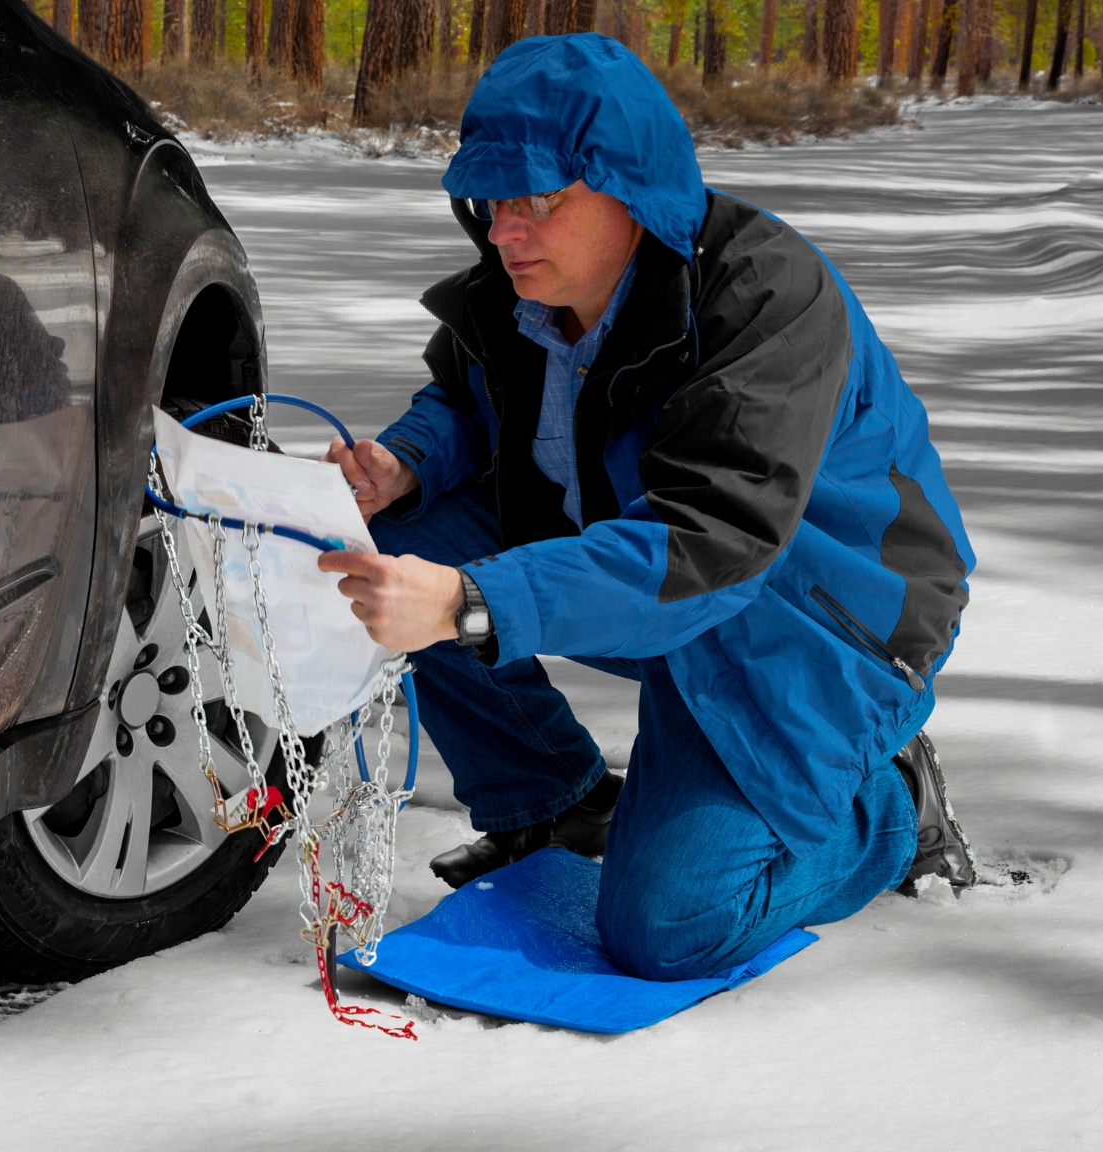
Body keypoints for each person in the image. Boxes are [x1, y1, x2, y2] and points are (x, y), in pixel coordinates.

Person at [316, 33, 978, 984]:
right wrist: (406, 465)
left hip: (821, 616)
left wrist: (471, 600)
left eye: (540, 200)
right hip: (662, 584)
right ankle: (552, 805)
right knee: (399, 545)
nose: (506, 230)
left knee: (671, 927)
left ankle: (888, 808)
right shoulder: (525, 293)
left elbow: (711, 539)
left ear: (631, 189)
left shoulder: (762, 299)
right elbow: (469, 403)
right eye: (494, 200)